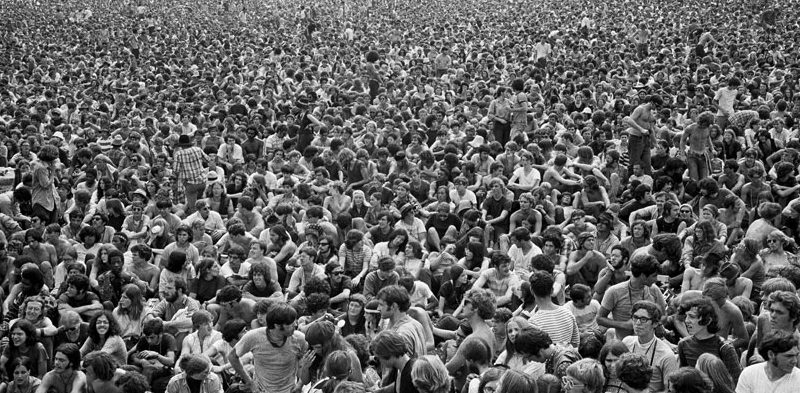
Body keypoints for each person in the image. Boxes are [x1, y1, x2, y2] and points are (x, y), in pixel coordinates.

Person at [229, 303, 307, 393]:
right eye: (291, 324)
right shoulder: (253, 337)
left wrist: (299, 385)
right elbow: (232, 357)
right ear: (277, 325)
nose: (296, 325)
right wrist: (250, 383)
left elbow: (305, 364)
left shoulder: (299, 339)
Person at [598, 254, 666, 340]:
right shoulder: (614, 291)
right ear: (643, 276)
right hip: (623, 344)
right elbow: (600, 318)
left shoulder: (654, 290)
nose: (656, 279)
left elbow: (663, 316)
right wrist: (624, 325)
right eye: (654, 276)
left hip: (649, 343)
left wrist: (658, 324)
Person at [677, 297, 741, 381]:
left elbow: (736, 381)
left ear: (708, 320)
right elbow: (683, 377)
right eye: (686, 316)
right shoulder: (683, 344)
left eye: (692, 317)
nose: (686, 320)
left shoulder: (725, 348)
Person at [621, 300, 678, 392]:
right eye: (635, 318)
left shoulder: (666, 355)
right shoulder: (627, 342)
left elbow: (670, 390)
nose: (638, 323)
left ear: (655, 323)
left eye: (644, 319)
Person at [736, 332, 800, 393]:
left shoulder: (798, 378)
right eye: (789, 356)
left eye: (796, 355)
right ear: (771, 354)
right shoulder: (749, 374)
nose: (795, 361)